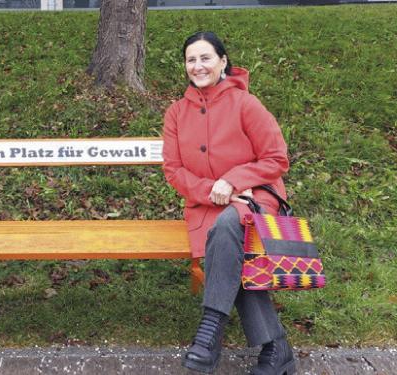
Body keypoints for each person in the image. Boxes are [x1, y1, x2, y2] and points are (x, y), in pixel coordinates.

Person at [162, 31, 296, 375]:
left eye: (206, 58)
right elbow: (174, 171)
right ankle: (276, 347)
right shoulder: (176, 113)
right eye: (191, 59)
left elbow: (276, 158)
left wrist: (234, 181)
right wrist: (212, 189)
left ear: (223, 62)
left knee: (227, 228)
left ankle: (209, 333)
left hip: (255, 198)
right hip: (205, 204)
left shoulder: (245, 104)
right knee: (225, 241)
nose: (198, 66)